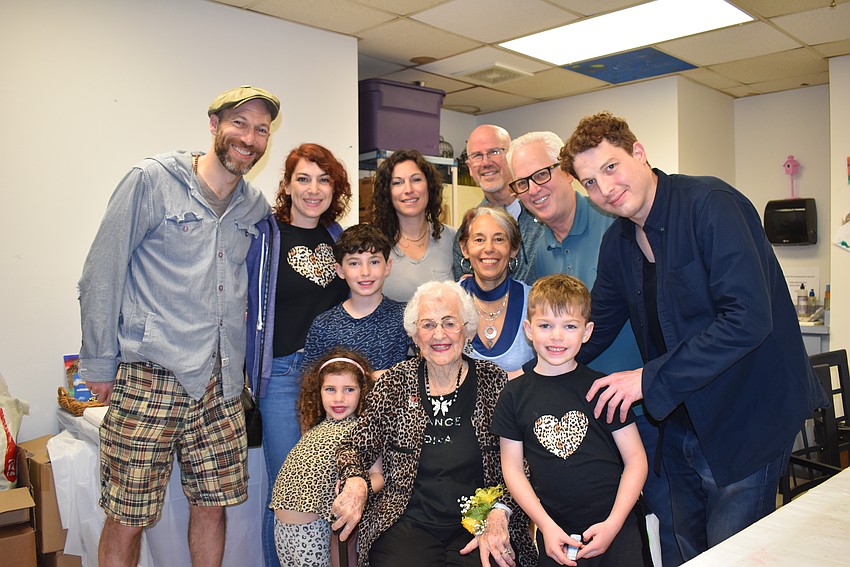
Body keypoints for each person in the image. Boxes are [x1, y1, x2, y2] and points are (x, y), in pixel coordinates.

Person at [561, 111, 827, 562]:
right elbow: (598, 324)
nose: (604, 189)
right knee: (684, 548)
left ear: (639, 153)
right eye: (589, 182)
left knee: (732, 553)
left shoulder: (710, 204)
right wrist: (537, 369)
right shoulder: (618, 242)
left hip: (747, 417)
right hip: (680, 420)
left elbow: (746, 318)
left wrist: (646, 379)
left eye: (610, 168)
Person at [78, 85, 279, 567]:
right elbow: (101, 274)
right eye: (239, 123)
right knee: (127, 513)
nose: (249, 138)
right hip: (152, 374)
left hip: (222, 384)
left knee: (213, 507)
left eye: (261, 130)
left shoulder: (254, 206)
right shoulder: (151, 180)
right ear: (214, 125)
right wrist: (99, 363)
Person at [508, 131, 679, 565]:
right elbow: (548, 330)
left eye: (542, 174)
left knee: (666, 526)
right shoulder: (537, 250)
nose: (534, 189)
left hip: (640, 406)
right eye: (521, 183)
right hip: (577, 409)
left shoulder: (615, 222)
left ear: (568, 173)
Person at [331, 281, 536, 567]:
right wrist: (355, 481)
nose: (439, 334)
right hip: (406, 520)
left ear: (467, 330)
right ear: (415, 336)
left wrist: (501, 512)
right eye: (427, 325)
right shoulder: (394, 384)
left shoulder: (495, 383)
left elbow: (523, 462)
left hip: (481, 522)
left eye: (449, 323)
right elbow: (354, 447)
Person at [246, 143, 352, 567]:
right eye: (303, 179)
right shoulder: (266, 236)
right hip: (284, 376)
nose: (313, 189)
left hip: (336, 379)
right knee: (288, 492)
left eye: (324, 180)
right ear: (287, 185)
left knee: (331, 486)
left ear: (335, 188)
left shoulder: (338, 238)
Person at [494, 274, 648, 567]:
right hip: (555, 533)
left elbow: (636, 460)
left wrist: (614, 524)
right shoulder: (513, 395)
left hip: (617, 528)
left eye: (569, 326)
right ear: (528, 329)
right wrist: (546, 526)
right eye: (545, 326)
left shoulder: (606, 388)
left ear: (587, 331)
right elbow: (512, 470)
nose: (556, 336)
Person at [270, 348, 384, 566]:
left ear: (362, 391)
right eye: (330, 389)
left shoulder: (362, 430)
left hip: (313, 532)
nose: (339, 398)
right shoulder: (316, 428)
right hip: (283, 530)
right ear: (318, 392)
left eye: (349, 389)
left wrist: (355, 490)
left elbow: (378, 475)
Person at [303, 223, 411, 374]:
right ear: (340, 270)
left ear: (387, 266)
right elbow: (310, 385)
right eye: (354, 263)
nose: (365, 272)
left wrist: (394, 376)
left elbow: (427, 366)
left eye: (374, 262)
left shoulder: (406, 317)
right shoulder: (323, 326)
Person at [453, 125, 543, 284]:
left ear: (512, 157)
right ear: (470, 168)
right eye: (477, 155)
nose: (485, 162)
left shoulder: (543, 215)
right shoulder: (468, 231)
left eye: (494, 152)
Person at [369, 149, 456, 302]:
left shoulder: (453, 239)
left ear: (429, 186)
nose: (408, 190)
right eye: (397, 183)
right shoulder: (373, 244)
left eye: (416, 180)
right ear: (387, 192)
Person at [457, 206, 534, 377]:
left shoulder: (534, 302)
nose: (489, 248)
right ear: (464, 248)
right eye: (479, 240)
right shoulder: (446, 301)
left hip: (520, 403)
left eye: (499, 239)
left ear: (514, 249)